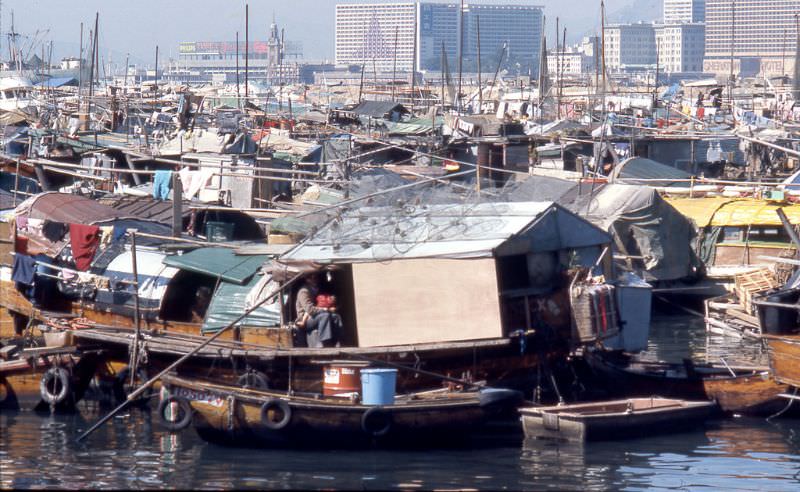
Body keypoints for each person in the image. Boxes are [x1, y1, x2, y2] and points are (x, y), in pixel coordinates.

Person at [295, 273, 342, 348]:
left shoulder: (317, 290)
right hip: (306, 319)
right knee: (325, 315)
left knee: (336, 316)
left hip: (317, 316)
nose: (314, 280)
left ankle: (337, 341)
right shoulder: (303, 292)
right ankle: (324, 341)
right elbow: (310, 310)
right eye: (311, 278)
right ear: (307, 280)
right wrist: (326, 309)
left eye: (315, 278)